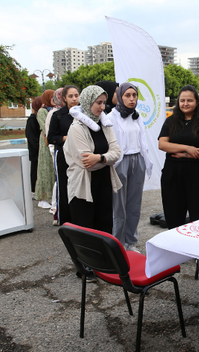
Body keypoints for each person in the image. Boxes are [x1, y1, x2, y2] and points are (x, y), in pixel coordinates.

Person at [63, 85, 121, 232]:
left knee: (105, 227)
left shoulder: (105, 124)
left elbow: (117, 153)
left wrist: (99, 158)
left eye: (104, 102)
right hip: (83, 185)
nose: (103, 107)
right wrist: (106, 160)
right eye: (99, 102)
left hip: (104, 183)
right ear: (88, 102)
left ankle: (104, 256)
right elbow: (87, 164)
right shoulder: (77, 128)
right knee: (86, 230)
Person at [158, 85, 199, 229]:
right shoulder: (171, 121)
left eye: (189, 100)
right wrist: (187, 148)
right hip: (173, 174)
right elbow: (162, 144)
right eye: (182, 100)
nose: (185, 103)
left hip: (198, 175)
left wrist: (185, 155)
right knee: (173, 215)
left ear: (197, 102)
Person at [106, 82, 152, 252]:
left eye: (134, 95)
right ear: (120, 96)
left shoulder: (137, 115)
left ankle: (130, 242)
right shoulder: (111, 117)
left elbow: (143, 141)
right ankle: (118, 244)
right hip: (120, 161)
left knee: (134, 204)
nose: (132, 99)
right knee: (119, 207)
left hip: (137, 160)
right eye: (127, 95)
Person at [48, 85, 80, 225]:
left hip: (80, 155)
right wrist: (68, 137)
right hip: (63, 155)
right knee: (64, 186)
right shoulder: (58, 115)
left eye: (76, 95)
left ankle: (78, 218)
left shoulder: (83, 114)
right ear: (65, 99)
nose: (74, 99)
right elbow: (51, 137)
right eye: (71, 96)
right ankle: (65, 220)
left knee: (79, 186)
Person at [45, 88, 63, 223]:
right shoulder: (53, 114)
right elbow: (49, 135)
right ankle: (56, 210)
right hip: (56, 149)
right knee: (59, 181)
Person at [35, 90, 56, 209]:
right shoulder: (42, 112)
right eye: (51, 97)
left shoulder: (53, 110)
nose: (54, 99)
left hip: (52, 143)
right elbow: (46, 128)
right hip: (46, 143)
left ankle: (50, 196)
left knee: (52, 170)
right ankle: (42, 198)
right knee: (45, 170)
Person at [25, 98, 41, 194]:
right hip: (35, 151)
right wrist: (38, 147)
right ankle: (33, 190)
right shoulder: (32, 120)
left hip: (39, 149)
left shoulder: (39, 117)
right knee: (35, 170)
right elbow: (31, 137)